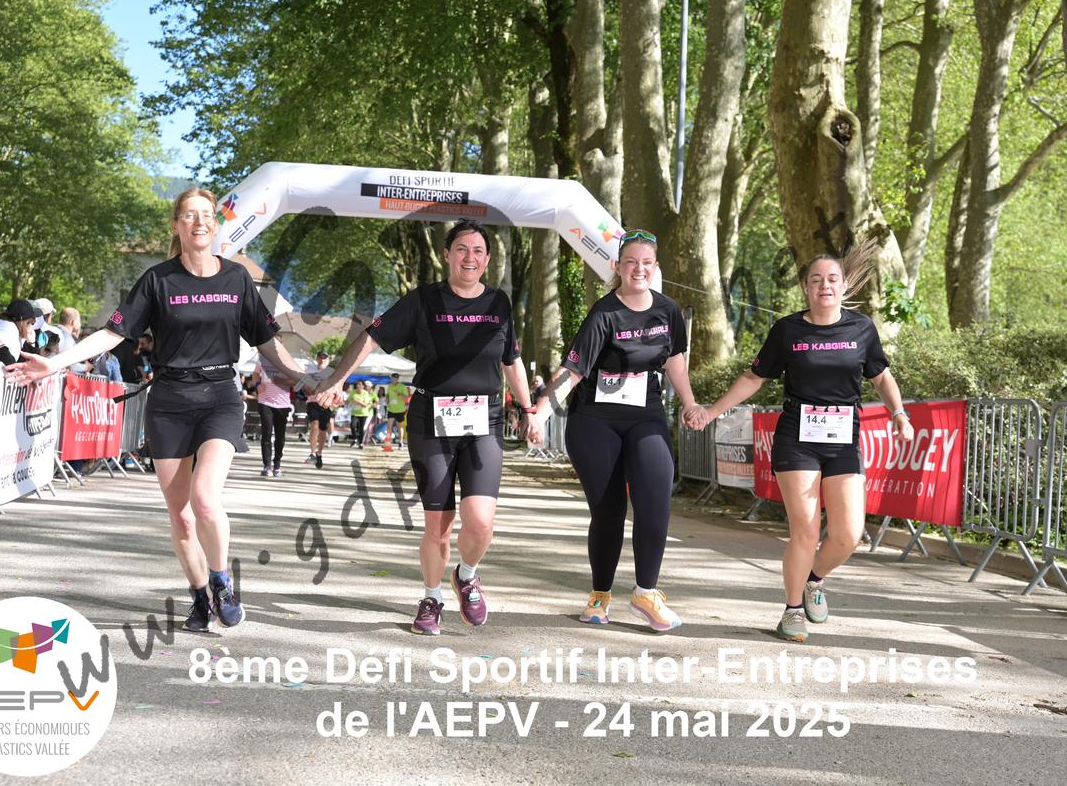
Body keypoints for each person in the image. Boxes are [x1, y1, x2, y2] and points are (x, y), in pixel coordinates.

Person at [6, 187, 317, 633]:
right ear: (176, 225)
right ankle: (199, 598)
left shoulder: (236, 279)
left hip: (219, 396)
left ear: (216, 224)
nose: (199, 222)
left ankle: (222, 582)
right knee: (182, 517)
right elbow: (113, 334)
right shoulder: (158, 280)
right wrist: (54, 364)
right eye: (189, 215)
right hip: (169, 401)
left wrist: (309, 380)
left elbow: (268, 342)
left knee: (205, 498)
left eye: (207, 214)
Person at [313, 218, 534, 636]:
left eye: (478, 251)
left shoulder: (499, 303)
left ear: (487, 259)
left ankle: (466, 575)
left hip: (483, 421)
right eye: (462, 249)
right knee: (438, 525)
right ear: (447, 254)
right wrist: (338, 379)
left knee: (480, 521)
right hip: (431, 420)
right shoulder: (423, 301)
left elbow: (512, 361)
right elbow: (371, 338)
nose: (470, 257)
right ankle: (431, 598)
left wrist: (529, 409)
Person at [689, 242, 914, 643]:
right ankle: (792, 610)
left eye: (832, 279)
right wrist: (711, 411)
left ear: (843, 286)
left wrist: (899, 413)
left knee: (848, 534)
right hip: (797, 438)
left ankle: (814, 579)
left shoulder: (861, 329)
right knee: (806, 532)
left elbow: (881, 376)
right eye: (816, 280)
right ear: (806, 288)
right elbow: (754, 377)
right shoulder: (788, 330)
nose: (824, 285)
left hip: (843, 439)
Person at [528, 229, 700, 632]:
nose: (639, 269)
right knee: (609, 510)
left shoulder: (668, 311)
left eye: (646, 263)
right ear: (617, 266)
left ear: (655, 268)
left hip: (645, 414)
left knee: (655, 498)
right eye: (631, 262)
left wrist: (690, 402)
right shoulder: (603, 313)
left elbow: (675, 361)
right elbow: (572, 371)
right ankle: (599, 595)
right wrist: (541, 413)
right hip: (595, 419)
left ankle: (646, 592)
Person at [249, 354, 293, 477]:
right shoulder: (262, 359)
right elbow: (255, 374)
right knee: (266, 433)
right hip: (265, 401)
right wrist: (257, 385)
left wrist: (282, 381)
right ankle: (267, 465)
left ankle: (277, 464)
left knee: (280, 436)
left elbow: (296, 381)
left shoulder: (287, 361)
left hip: (282, 404)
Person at [0, 299, 45, 366]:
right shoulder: (7, 327)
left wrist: (35, 346)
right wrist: (14, 367)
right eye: (29, 322)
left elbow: (25, 353)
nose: (33, 322)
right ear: (21, 320)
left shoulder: (11, 327)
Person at [304, 350, 335, 468]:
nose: (322, 360)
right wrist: (308, 390)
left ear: (328, 360)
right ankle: (312, 453)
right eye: (320, 358)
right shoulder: (310, 371)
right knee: (314, 425)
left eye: (324, 358)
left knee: (323, 430)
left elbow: (336, 387)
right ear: (317, 359)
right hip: (312, 402)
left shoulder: (332, 373)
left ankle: (319, 453)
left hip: (326, 404)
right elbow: (303, 385)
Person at [348, 381, 376, 448]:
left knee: (361, 428)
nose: (358, 385)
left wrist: (357, 401)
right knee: (352, 426)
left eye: (360, 384)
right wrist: (351, 401)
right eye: (357, 384)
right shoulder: (353, 392)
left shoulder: (365, 393)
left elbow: (365, 405)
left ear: (363, 386)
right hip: (354, 413)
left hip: (363, 413)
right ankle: (355, 439)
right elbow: (348, 400)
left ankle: (360, 443)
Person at [384, 373, 409, 447]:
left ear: (398, 379)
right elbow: (388, 394)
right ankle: (388, 442)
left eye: (395, 378)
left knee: (399, 427)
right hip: (391, 409)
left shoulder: (402, 387)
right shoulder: (389, 386)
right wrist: (387, 399)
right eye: (392, 378)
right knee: (389, 426)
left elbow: (406, 399)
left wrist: (398, 394)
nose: (394, 380)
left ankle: (400, 442)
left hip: (400, 410)